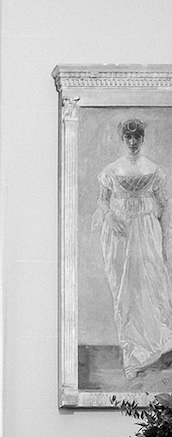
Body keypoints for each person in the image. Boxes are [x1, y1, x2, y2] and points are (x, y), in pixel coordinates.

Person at [92, 118, 172, 380]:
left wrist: (163, 239)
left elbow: (164, 206)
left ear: (143, 139)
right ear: (123, 140)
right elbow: (103, 202)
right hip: (121, 237)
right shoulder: (112, 170)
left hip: (147, 233)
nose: (133, 142)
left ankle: (156, 348)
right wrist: (111, 216)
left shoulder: (155, 171)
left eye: (137, 137)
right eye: (128, 138)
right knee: (125, 293)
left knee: (152, 287)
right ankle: (133, 355)